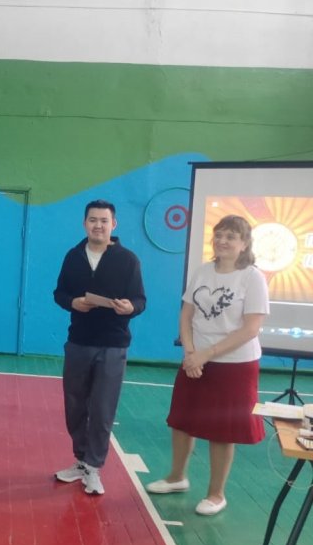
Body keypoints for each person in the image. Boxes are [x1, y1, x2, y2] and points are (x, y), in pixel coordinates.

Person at [146, 214, 269, 515]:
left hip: (235, 365)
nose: (222, 241)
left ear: (244, 244)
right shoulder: (202, 271)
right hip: (195, 360)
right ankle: (177, 477)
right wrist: (190, 353)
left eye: (231, 237)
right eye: (219, 235)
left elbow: (250, 329)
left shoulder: (252, 277)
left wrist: (206, 354)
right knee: (181, 419)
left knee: (222, 430)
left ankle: (216, 494)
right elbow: (186, 315)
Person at [53, 200, 146, 496]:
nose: (98, 225)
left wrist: (130, 307)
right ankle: (81, 460)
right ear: (85, 223)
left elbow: (140, 300)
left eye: (104, 221)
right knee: (75, 406)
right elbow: (59, 293)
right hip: (78, 342)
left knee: (103, 409)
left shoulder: (128, 260)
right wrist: (73, 302)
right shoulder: (73, 257)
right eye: (93, 220)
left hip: (113, 345)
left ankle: (94, 468)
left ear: (113, 224)